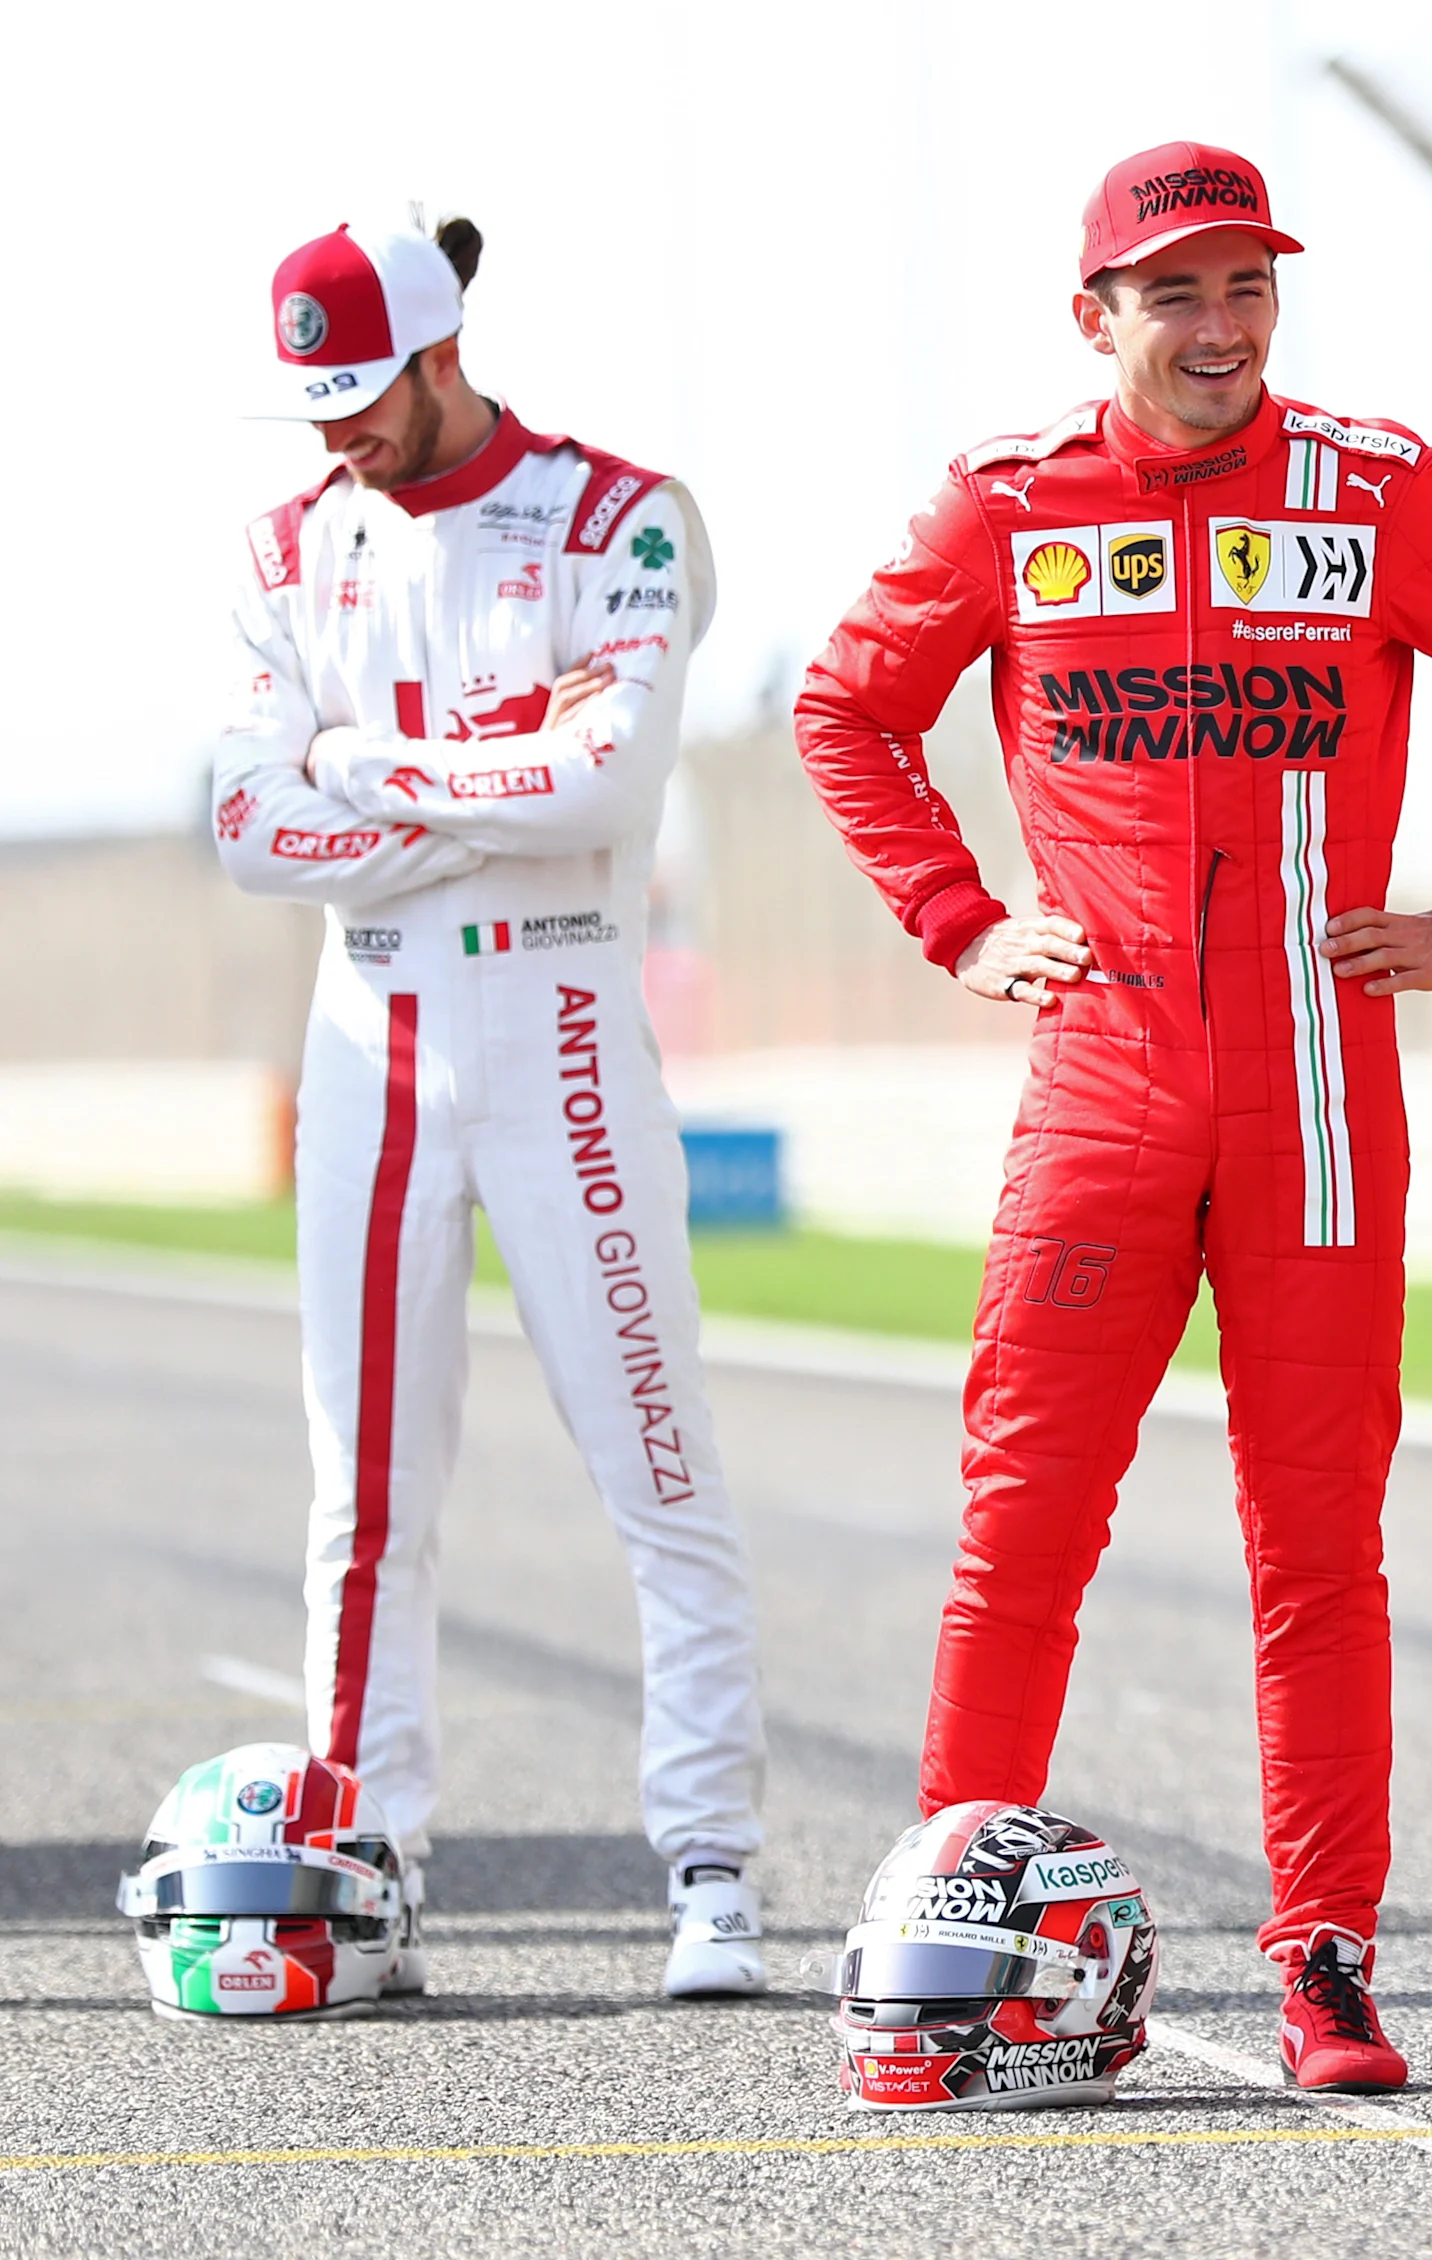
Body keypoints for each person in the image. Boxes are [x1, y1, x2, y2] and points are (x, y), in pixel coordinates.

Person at [792, 144, 1432, 2094]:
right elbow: (846, 709)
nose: (1221, 324)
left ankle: (1327, 1956)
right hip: (1103, 1083)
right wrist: (960, 917)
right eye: (1176, 291)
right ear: (1098, 319)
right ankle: (950, 1936)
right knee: (1021, 1524)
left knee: (1316, 1543)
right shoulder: (1010, 499)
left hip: (1322, 1094)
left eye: (1248, 285)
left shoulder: (1376, 487)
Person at [211, 218, 770, 1999]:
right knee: (363, 1495)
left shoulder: (627, 519)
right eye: (312, 404)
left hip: (566, 1036)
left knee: (656, 1463)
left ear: (444, 353)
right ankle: (363, 1869)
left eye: (363, 397)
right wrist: (489, 781)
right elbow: (245, 825)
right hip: (368, 1042)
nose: (339, 434)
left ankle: (714, 1868)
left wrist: (357, 767)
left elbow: (603, 785)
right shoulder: (287, 546)